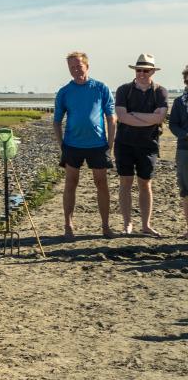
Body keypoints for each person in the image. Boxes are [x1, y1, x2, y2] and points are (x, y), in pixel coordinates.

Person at [53, 52, 116, 240]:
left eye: (79, 66)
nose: (76, 70)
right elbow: (56, 121)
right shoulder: (64, 92)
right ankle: (68, 225)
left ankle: (105, 226)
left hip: (98, 145)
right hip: (72, 145)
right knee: (71, 183)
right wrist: (61, 144)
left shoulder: (100, 88)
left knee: (101, 183)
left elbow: (111, 118)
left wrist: (109, 145)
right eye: (72, 67)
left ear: (87, 66)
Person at [114, 54, 168, 237]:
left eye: (146, 70)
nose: (142, 74)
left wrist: (134, 115)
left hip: (148, 145)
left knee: (145, 184)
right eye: (139, 70)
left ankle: (146, 225)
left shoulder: (160, 91)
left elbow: (160, 117)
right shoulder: (123, 90)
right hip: (124, 143)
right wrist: (148, 118)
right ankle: (127, 224)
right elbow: (122, 116)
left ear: (152, 71)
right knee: (125, 182)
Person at [168, 64, 188, 240]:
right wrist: (185, 135)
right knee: (186, 190)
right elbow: (172, 124)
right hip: (184, 150)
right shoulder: (179, 102)